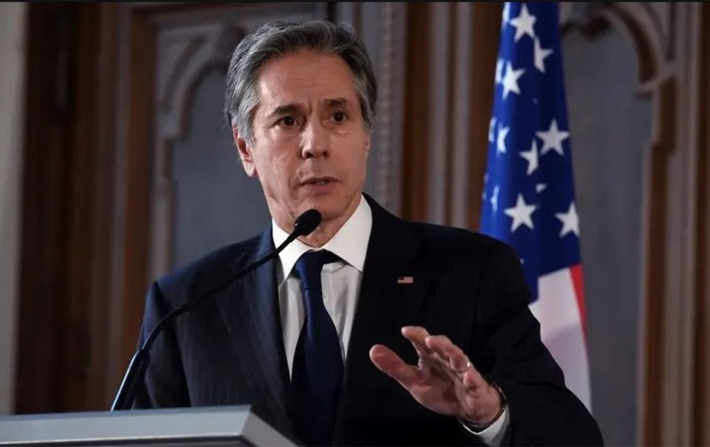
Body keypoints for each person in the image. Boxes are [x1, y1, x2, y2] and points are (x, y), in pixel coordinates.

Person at [133, 19, 604, 447]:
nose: (315, 144)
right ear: (245, 148)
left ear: (366, 134)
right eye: (288, 121)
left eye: (338, 116)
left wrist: (490, 414)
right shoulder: (186, 307)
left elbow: (574, 437)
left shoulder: (472, 273)